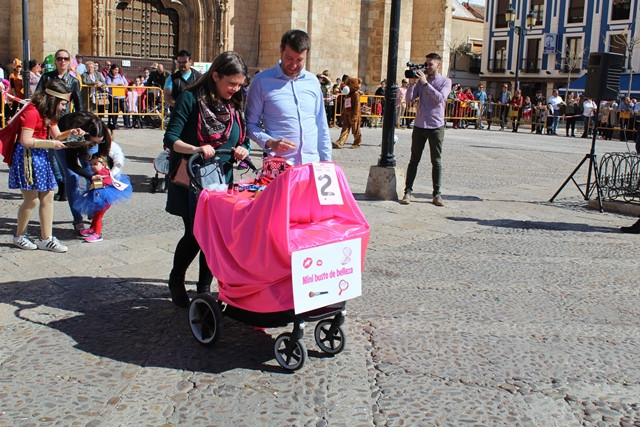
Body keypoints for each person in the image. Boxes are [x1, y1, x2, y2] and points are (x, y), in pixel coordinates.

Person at [164, 51, 250, 307]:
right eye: (231, 83)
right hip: (192, 177)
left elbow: (241, 134)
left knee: (217, 236)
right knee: (195, 234)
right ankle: (176, 279)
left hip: (221, 178)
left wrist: (243, 147)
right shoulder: (191, 98)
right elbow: (171, 138)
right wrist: (196, 149)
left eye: (239, 85)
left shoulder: (234, 102)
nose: (235, 89)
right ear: (215, 75)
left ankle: (204, 289)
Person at [246, 29, 331, 165]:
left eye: (299, 60)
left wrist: (327, 162)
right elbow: (250, 124)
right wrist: (270, 142)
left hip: (311, 165)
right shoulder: (261, 81)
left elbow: (321, 124)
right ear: (281, 50)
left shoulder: (313, 81)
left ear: (307, 54)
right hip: (279, 166)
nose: (294, 65)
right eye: (289, 58)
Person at [6, 81, 72, 252]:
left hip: (41, 155)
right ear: (53, 99)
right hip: (27, 157)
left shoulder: (48, 113)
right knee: (32, 199)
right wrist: (52, 144)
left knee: (48, 196)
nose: (64, 107)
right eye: (63, 103)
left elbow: (57, 135)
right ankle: (19, 236)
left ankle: (46, 238)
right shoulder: (32, 112)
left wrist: (72, 132)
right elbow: (25, 140)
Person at [400, 52, 451, 206]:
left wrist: (426, 84)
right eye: (426, 64)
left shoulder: (445, 81)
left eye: (431, 64)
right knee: (413, 160)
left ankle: (437, 194)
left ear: (438, 65)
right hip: (420, 125)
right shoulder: (420, 83)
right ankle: (407, 192)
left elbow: (441, 98)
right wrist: (412, 83)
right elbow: (409, 99)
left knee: (436, 161)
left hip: (436, 126)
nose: (428, 67)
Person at [56, 111, 113, 235]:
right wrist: (90, 176)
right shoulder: (75, 134)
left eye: (98, 143)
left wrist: (100, 170)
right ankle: (77, 219)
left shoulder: (101, 132)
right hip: (64, 141)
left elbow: (102, 154)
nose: (95, 145)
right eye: (93, 143)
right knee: (72, 177)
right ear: (87, 136)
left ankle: (92, 208)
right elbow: (71, 164)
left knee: (90, 169)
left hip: (85, 139)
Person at [73, 153, 132, 243]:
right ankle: (92, 229)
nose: (92, 166)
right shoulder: (97, 172)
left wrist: (99, 182)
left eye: (95, 164)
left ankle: (97, 234)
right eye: (91, 164)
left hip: (104, 198)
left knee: (98, 217)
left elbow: (108, 181)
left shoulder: (104, 173)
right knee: (96, 214)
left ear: (103, 164)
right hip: (98, 197)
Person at [105, 63, 130, 129]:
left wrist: (123, 85)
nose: (116, 71)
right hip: (113, 96)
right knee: (114, 110)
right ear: (112, 70)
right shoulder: (108, 76)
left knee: (125, 109)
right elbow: (109, 84)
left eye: (117, 70)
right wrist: (117, 84)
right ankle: (115, 123)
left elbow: (126, 83)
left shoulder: (121, 76)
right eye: (115, 70)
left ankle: (126, 123)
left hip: (121, 95)